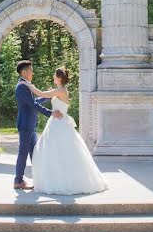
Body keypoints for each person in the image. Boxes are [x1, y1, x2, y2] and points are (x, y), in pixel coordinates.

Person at [26, 67, 108, 195]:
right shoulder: (60, 90)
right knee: (54, 151)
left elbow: (42, 94)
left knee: (58, 152)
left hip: (59, 124)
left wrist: (28, 85)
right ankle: (55, 179)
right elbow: (47, 95)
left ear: (58, 78)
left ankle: (60, 181)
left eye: (54, 75)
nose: (53, 77)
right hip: (57, 123)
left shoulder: (60, 91)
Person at [13, 60, 63, 190]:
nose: (33, 73)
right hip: (25, 124)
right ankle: (18, 180)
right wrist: (51, 113)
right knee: (23, 152)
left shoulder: (25, 85)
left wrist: (48, 96)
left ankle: (39, 179)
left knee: (35, 153)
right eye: (31, 70)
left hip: (30, 124)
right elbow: (33, 105)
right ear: (24, 72)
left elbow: (34, 101)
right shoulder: (22, 87)